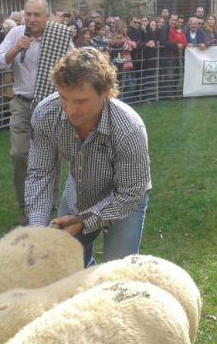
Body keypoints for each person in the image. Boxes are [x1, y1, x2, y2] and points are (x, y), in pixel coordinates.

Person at [26, 47, 151, 267]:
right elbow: (40, 173)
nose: (71, 109)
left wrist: (84, 222)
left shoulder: (129, 128)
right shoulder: (46, 114)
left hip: (124, 199)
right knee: (64, 269)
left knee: (117, 274)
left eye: (81, 101)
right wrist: (37, 229)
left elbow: (131, 191)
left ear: (106, 92)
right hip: (78, 193)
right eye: (65, 98)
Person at [0, 0, 72, 226]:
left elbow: (73, 64)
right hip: (22, 103)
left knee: (50, 157)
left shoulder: (60, 35)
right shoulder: (17, 33)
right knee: (19, 154)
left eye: (37, 15)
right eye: (28, 14)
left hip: (51, 105)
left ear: (47, 17)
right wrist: (14, 50)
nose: (32, 19)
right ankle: (25, 206)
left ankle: (48, 206)